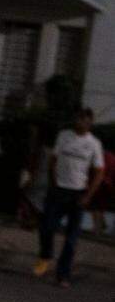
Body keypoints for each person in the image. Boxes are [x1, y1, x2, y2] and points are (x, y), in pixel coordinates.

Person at [34, 108, 105, 287]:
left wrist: (88, 195)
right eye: (78, 118)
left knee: (71, 239)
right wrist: (53, 181)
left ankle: (63, 275)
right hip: (59, 190)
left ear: (90, 123)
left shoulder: (94, 144)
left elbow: (99, 172)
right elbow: (53, 159)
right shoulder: (64, 135)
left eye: (84, 120)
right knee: (46, 227)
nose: (80, 122)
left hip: (78, 193)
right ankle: (46, 255)